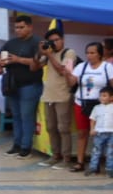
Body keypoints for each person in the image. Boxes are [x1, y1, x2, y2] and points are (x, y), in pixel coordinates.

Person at [0, 14, 43, 159]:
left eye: (21, 27)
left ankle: (26, 147)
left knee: (26, 116)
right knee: (16, 116)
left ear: (30, 27)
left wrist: (18, 59)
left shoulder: (38, 42)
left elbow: (39, 62)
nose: (18, 30)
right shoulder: (11, 43)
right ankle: (16, 145)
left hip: (30, 85)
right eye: (16, 27)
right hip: (13, 85)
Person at [69, 41, 113, 172]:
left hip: (101, 106)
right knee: (82, 133)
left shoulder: (107, 67)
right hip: (82, 103)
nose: (89, 55)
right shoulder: (81, 67)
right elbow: (71, 83)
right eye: (87, 53)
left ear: (99, 54)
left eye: (92, 53)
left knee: (102, 133)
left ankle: (100, 162)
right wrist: (67, 73)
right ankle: (80, 162)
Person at [38, 29, 77, 169]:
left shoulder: (69, 53)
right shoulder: (49, 53)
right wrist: (40, 53)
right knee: (51, 128)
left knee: (63, 128)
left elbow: (63, 71)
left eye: (56, 40)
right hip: (48, 95)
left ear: (63, 40)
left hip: (62, 96)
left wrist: (50, 55)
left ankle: (66, 158)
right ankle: (55, 155)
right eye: (51, 41)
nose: (54, 43)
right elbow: (35, 66)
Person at [85, 87, 113, 176]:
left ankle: (110, 169)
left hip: (111, 133)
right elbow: (93, 119)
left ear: (111, 97)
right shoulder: (96, 108)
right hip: (99, 133)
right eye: (100, 96)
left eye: (104, 96)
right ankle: (93, 168)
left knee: (110, 152)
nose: (101, 98)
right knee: (96, 151)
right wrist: (92, 129)